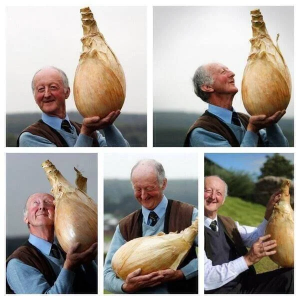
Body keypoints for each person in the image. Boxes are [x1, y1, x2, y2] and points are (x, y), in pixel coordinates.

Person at [104, 159, 198, 294]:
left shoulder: (190, 215)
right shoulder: (125, 226)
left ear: (163, 183)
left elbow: (213, 252)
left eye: (149, 188)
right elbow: (106, 274)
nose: (143, 195)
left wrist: (182, 273)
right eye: (137, 189)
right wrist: (125, 287)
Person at [204, 176, 294, 294]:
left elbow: (255, 237)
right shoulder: (193, 229)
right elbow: (205, 279)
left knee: (292, 276)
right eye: (208, 191)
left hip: (245, 284)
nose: (213, 196)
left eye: (219, 193)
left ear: (224, 200)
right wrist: (248, 259)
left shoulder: (228, 223)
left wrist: (268, 213)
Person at [6, 193, 98, 294]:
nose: (42, 207)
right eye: (35, 203)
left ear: (59, 214)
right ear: (26, 218)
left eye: (48, 203)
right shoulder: (19, 262)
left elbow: (95, 288)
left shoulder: (68, 249)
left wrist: (88, 261)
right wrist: (69, 266)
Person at [18, 66, 130, 147]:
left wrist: (107, 123)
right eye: (41, 89)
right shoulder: (31, 137)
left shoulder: (88, 131)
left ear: (67, 92)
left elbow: (122, 151)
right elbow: (66, 170)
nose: (47, 94)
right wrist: (85, 133)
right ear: (35, 96)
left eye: (53, 87)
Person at [184, 63, 289, 147]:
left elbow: (280, 149)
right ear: (207, 87)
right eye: (223, 72)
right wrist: (252, 130)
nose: (232, 73)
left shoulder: (246, 119)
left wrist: (270, 122)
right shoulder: (202, 132)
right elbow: (231, 163)